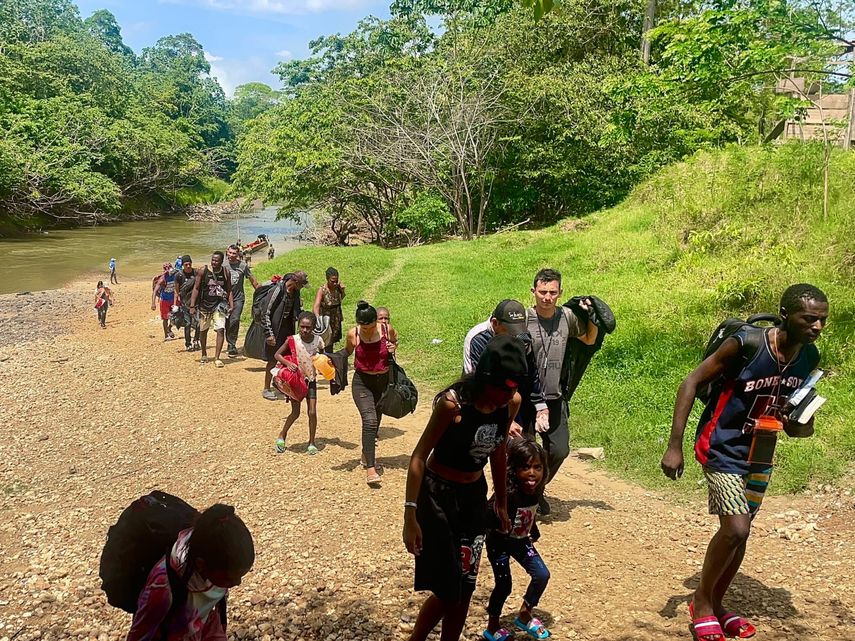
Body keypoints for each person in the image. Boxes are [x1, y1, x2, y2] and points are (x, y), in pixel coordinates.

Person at [660, 284, 828, 641]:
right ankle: (702, 604)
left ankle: (717, 604)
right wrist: (673, 445)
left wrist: (799, 419)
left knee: (741, 531)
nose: (817, 327)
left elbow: (801, 429)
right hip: (720, 446)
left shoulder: (809, 358)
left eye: (822, 321)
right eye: (809, 318)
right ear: (786, 315)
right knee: (736, 529)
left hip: (761, 453)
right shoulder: (747, 344)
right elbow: (690, 382)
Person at [402, 335, 527, 641]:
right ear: (485, 377)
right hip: (437, 498)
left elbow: (498, 449)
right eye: (502, 387)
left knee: (465, 586)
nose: (506, 395)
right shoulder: (452, 404)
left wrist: (499, 502)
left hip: (473, 499)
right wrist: (410, 515)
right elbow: (419, 457)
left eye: (512, 388)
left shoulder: (510, 403)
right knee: (447, 589)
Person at [126, 503, 255, 641]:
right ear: (201, 565)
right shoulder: (162, 587)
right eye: (230, 578)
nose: (237, 583)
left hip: (202, 625)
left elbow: (209, 610)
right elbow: (139, 634)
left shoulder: (212, 553)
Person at [526, 268, 598, 514]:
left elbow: (588, 340)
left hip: (555, 398)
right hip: (526, 401)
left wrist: (593, 318)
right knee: (523, 452)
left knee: (559, 450)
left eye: (552, 292)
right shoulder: (523, 319)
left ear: (560, 293)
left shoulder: (567, 317)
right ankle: (521, 499)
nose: (547, 297)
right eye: (542, 292)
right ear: (533, 291)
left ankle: (536, 489)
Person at [484, 438, 551, 641]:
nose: (532, 473)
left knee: (542, 574)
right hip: (499, 544)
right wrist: (495, 525)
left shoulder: (535, 488)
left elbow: (528, 511)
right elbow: (487, 514)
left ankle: (524, 614)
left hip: (521, 540)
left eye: (537, 467)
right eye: (526, 467)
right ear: (513, 470)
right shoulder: (507, 494)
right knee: (504, 586)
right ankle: (492, 627)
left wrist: (534, 529)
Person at [463, 299, 550, 438]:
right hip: (482, 400)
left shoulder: (522, 337)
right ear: (495, 323)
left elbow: (531, 373)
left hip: (512, 398)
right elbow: (474, 380)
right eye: (509, 331)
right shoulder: (476, 338)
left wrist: (540, 405)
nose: (514, 335)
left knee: (524, 447)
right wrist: (507, 421)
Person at [345, 301, 396, 486]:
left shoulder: (386, 329)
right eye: (363, 327)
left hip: (382, 384)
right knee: (370, 420)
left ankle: (366, 455)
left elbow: (394, 343)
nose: (367, 331)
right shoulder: (353, 334)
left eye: (370, 327)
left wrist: (392, 348)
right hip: (362, 383)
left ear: (376, 322)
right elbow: (346, 353)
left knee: (375, 421)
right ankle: (371, 469)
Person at [274, 311, 325, 455]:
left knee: (312, 412)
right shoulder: (293, 340)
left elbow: (324, 356)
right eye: (302, 327)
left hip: (311, 380)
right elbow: (277, 354)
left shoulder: (318, 341)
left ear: (314, 327)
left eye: (308, 327)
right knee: (295, 412)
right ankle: (282, 435)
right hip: (296, 381)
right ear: (298, 326)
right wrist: (287, 363)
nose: (305, 330)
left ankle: (311, 442)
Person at [261, 271, 309, 399]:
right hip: (275, 331)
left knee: (286, 358)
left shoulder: (296, 292)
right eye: (302, 285)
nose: (302, 288)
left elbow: (298, 311)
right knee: (272, 360)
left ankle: (279, 383)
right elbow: (265, 313)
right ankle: (266, 388)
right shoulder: (278, 290)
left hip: (287, 330)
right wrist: (269, 334)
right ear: (296, 282)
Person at [189, 251, 234, 368]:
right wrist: (192, 305)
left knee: (220, 329)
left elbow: (229, 290)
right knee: (203, 330)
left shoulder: (225, 272)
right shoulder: (203, 271)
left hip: (219, 305)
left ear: (221, 261)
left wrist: (231, 304)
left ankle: (217, 358)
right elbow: (196, 288)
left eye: (216, 261)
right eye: (212, 260)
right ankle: (204, 353)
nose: (214, 262)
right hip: (204, 306)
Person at [225, 244, 259, 357]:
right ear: (227, 252)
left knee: (235, 319)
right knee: (226, 321)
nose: (231, 255)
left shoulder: (243, 266)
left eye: (234, 253)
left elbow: (252, 280)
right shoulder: (222, 264)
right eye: (230, 252)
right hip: (223, 299)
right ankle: (228, 340)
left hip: (238, 298)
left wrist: (261, 292)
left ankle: (231, 344)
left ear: (238, 254)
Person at [312, 267, 346, 353]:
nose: (335, 283)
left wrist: (342, 290)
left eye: (336, 281)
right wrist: (317, 319)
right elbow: (316, 306)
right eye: (332, 281)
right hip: (326, 318)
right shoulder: (322, 290)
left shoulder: (338, 288)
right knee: (326, 341)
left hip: (336, 317)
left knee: (332, 341)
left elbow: (340, 299)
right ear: (327, 279)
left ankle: (329, 358)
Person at [174, 255, 201, 352]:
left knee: (198, 323)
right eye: (186, 264)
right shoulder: (179, 275)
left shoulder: (196, 273)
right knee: (188, 324)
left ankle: (196, 340)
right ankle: (188, 343)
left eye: (189, 264)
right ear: (182, 265)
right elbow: (177, 291)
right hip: (185, 303)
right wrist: (176, 305)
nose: (188, 266)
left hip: (197, 303)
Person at [152, 262, 178, 341]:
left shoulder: (176, 275)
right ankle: (166, 335)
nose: (168, 268)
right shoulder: (162, 278)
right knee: (165, 318)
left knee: (176, 317)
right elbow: (155, 291)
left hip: (174, 299)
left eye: (169, 266)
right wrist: (153, 303)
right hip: (165, 301)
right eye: (166, 267)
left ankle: (169, 328)